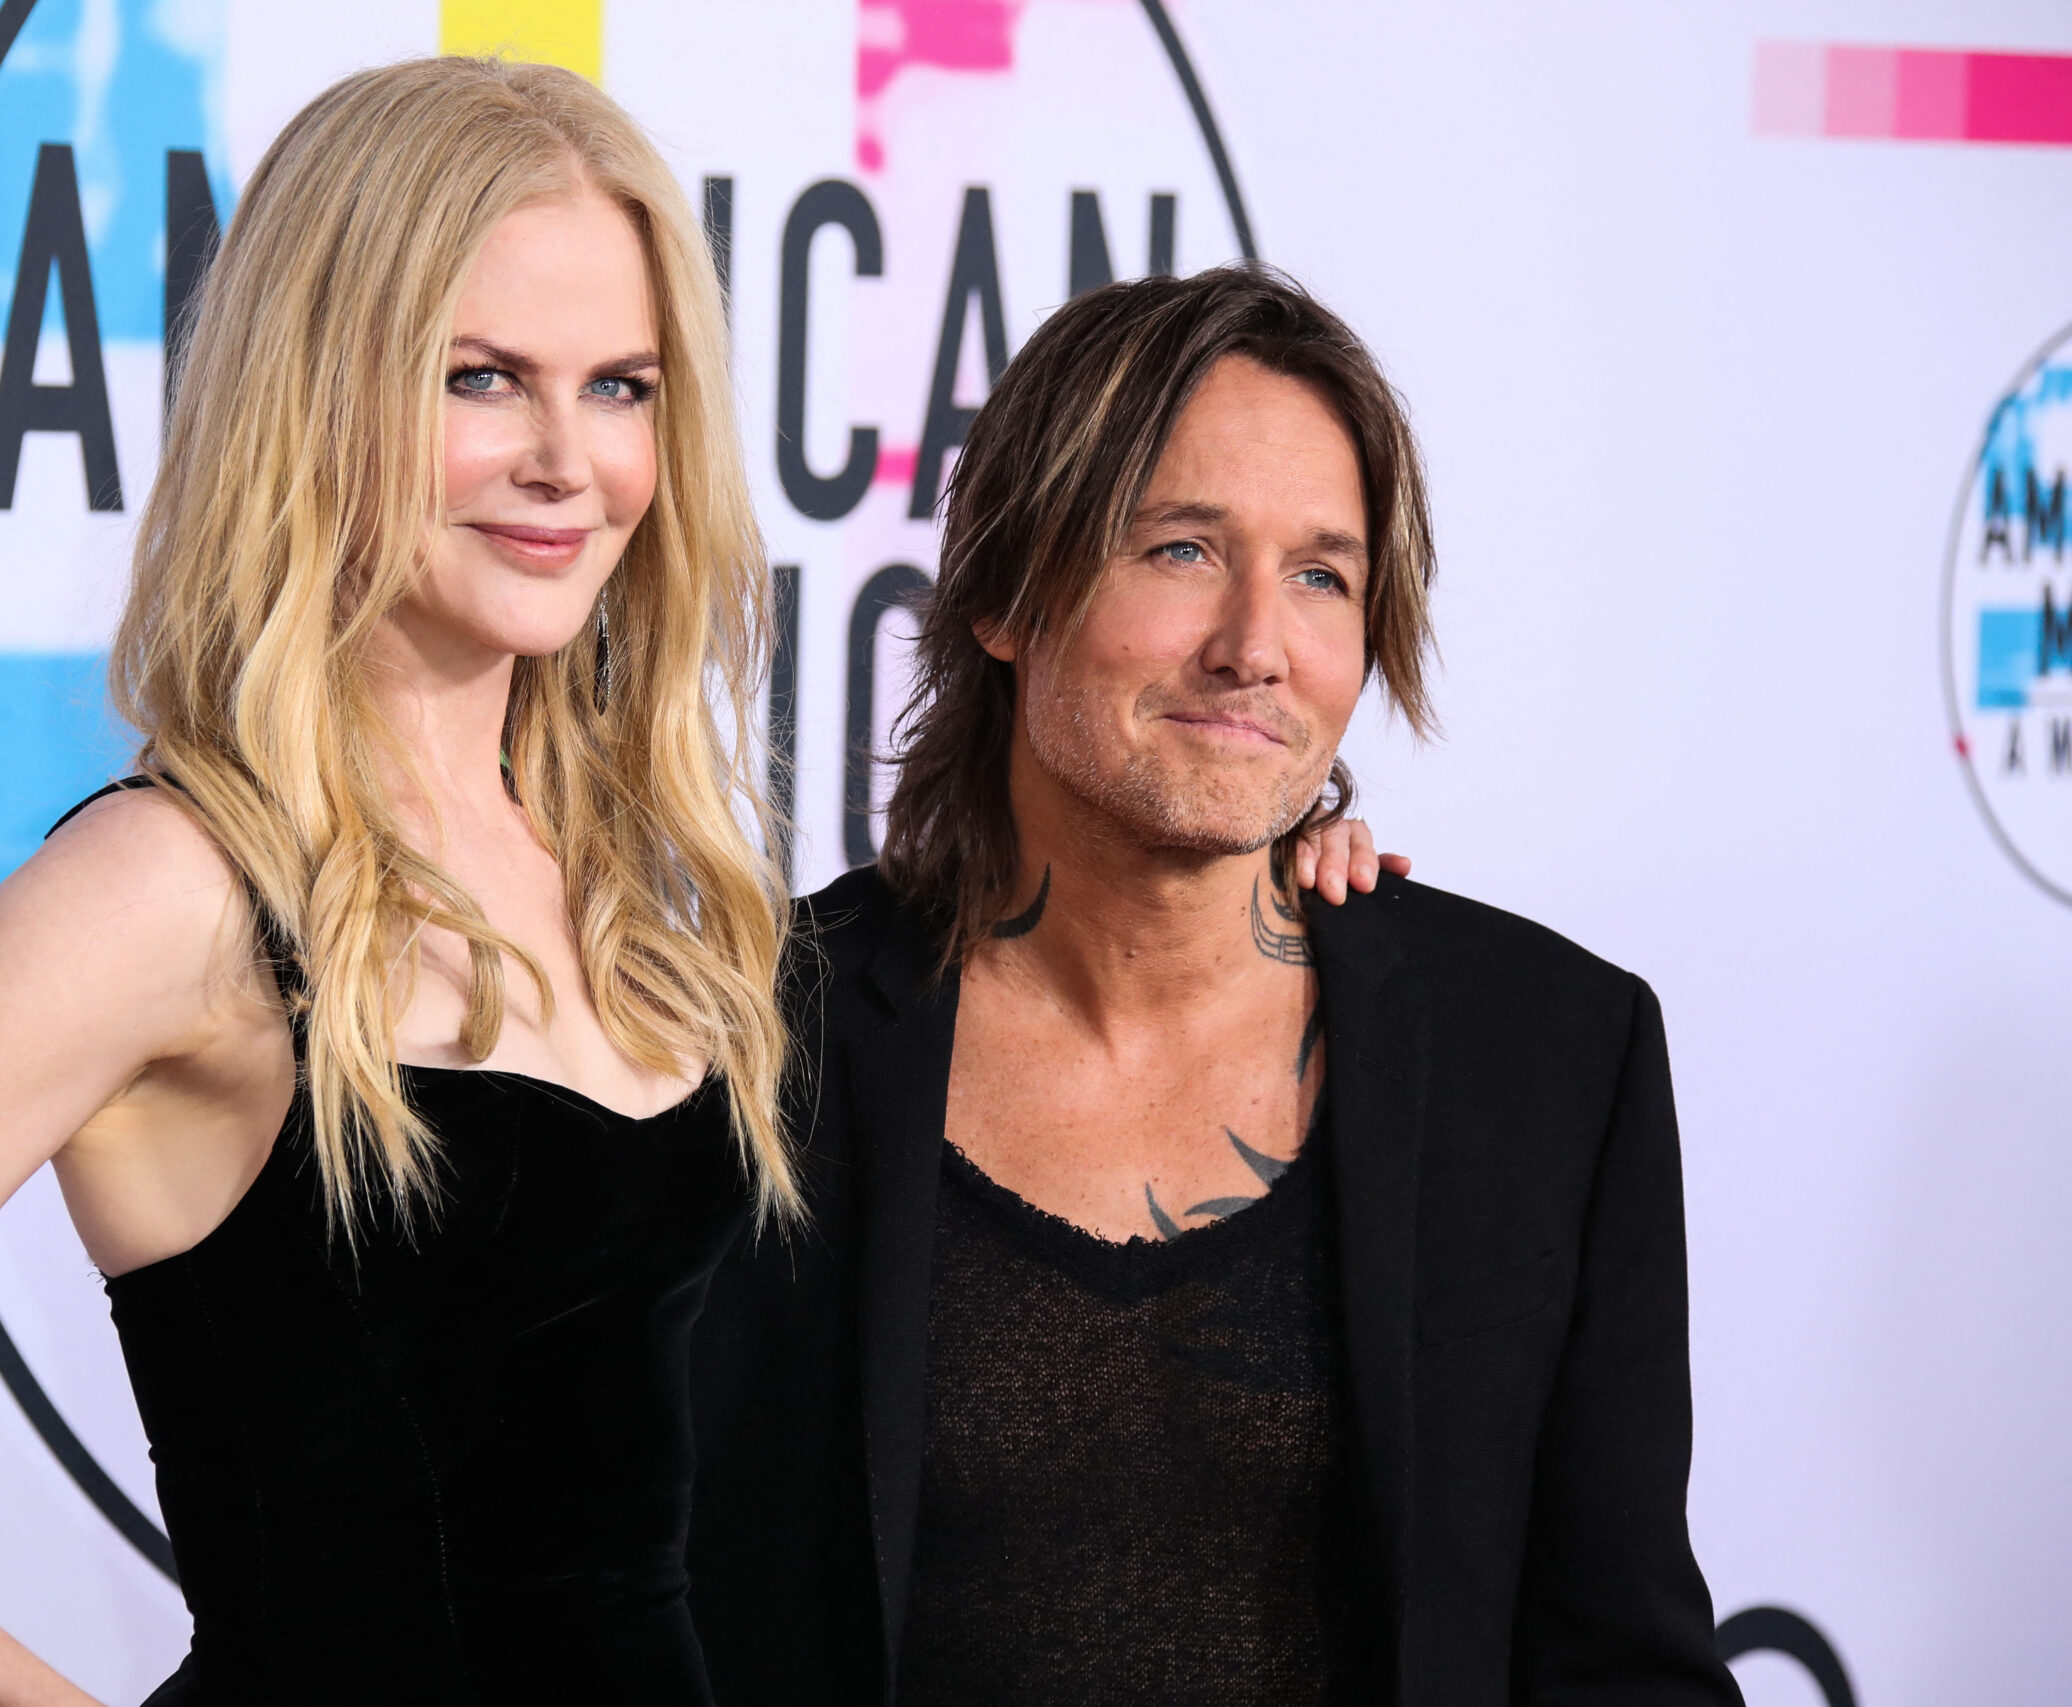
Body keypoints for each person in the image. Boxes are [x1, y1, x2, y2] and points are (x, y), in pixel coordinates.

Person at [0, 58, 797, 1705]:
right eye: (483, 378)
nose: (569, 460)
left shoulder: (621, 877)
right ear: (318, 390)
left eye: (623, 387)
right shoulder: (175, 887)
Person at [687, 264, 1744, 1707]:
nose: (1258, 647)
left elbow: (1621, 1664)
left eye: (1323, 575)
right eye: (1182, 550)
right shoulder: (745, 1043)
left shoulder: (1547, 1056)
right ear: (1001, 589)